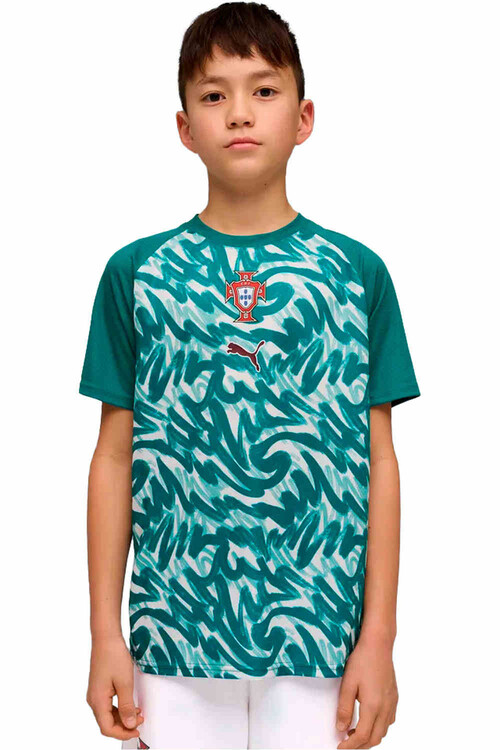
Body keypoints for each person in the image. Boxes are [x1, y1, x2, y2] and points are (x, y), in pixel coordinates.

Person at [79, 3, 421, 749]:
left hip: (321, 636)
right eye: (214, 95)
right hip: (171, 638)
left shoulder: (355, 274)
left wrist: (379, 639)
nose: (239, 112)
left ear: (303, 118)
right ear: (184, 127)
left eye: (263, 90)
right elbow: (113, 458)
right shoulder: (137, 274)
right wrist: (105, 634)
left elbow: (380, 463)